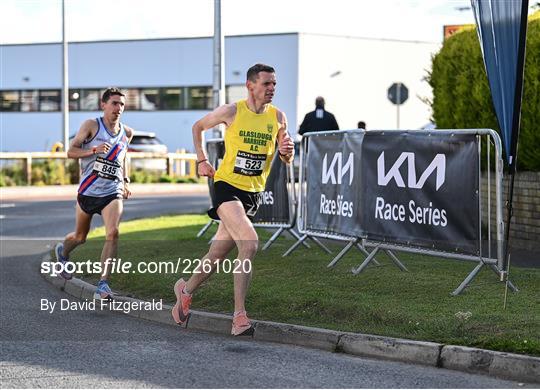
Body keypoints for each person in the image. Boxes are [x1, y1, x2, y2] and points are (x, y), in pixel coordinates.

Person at [171, 63, 294, 336]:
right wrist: (202, 160)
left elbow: (286, 157)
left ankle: (185, 291)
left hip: (253, 193)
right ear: (251, 86)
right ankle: (239, 317)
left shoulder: (279, 117)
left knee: (217, 253)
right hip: (226, 186)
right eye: (266, 84)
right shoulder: (232, 111)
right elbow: (198, 126)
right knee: (249, 243)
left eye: (274, 83)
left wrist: (287, 151)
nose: (272, 88)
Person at [54, 87, 133, 300]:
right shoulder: (91, 126)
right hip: (88, 191)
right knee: (80, 237)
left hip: (112, 191)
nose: (118, 108)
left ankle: (103, 285)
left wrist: (125, 180)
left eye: (122, 104)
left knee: (113, 233)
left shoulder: (127, 133)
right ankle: (63, 251)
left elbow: (124, 157)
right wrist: (93, 151)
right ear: (104, 105)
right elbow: (71, 151)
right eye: (114, 103)